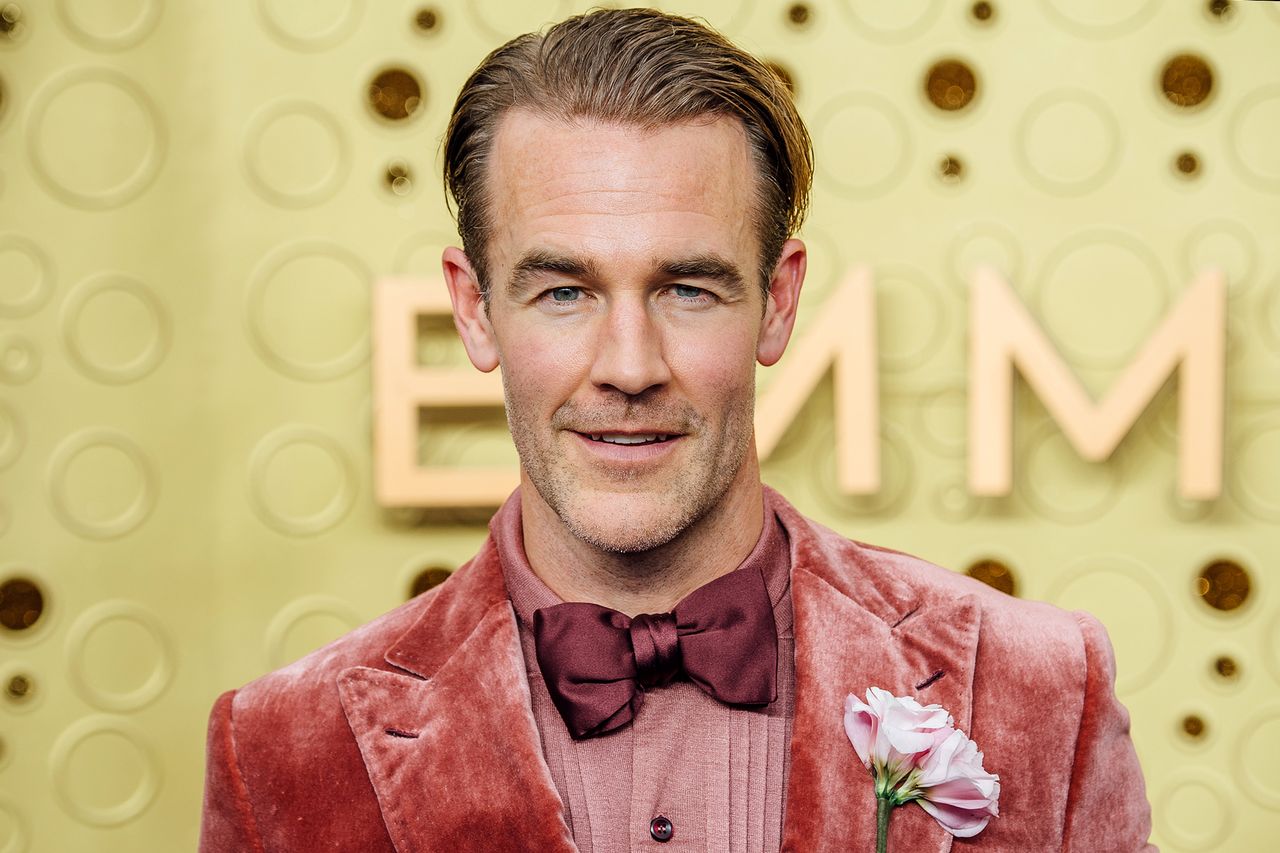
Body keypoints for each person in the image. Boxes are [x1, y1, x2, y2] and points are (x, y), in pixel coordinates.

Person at [198, 8, 1154, 852]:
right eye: (563, 290)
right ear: (476, 309)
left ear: (778, 304)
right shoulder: (284, 749)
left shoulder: (1040, 690)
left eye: (687, 289)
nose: (628, 363)